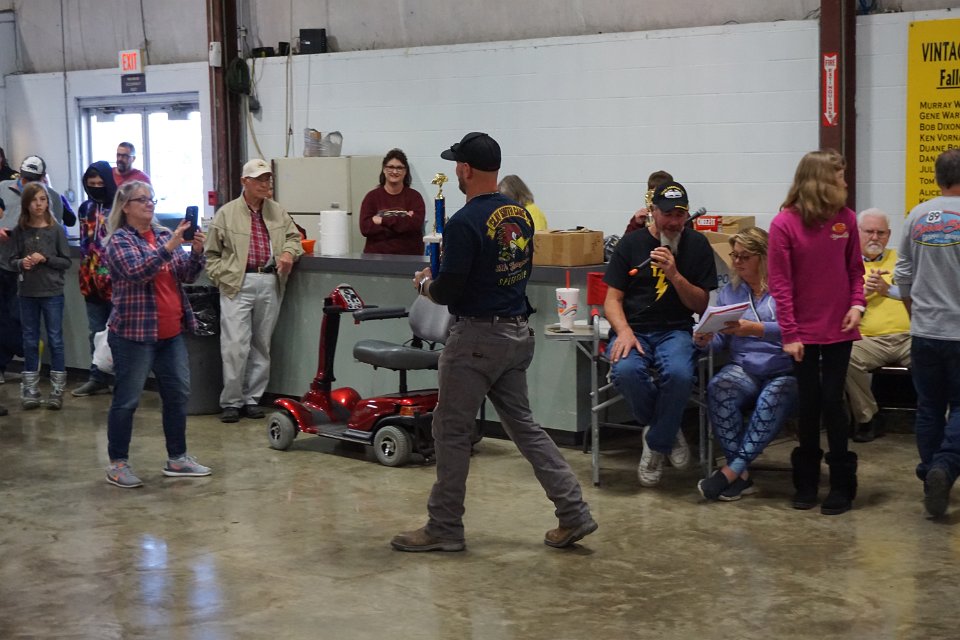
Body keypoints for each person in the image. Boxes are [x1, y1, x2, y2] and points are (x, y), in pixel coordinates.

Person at [392, 132, 597, 552]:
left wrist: (425, 285)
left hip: (476, 338)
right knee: (525, 427)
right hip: (516, 334)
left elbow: (448, 291)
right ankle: (573, 511)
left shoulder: (464, 222)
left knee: (450, 429)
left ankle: (444, 526)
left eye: (457, 164)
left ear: (465, 169)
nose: (455, 171)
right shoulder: (520, 215)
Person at [767, 149, 865, 516]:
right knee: (808, 404)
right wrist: (790, 333)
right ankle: (806, 482)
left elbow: (855, 270)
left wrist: (857, 305)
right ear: (821, 181)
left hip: (839, 326)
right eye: (839, 176)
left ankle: (841, 484)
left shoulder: (846, 219)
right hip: (802, 331)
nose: (845, 182)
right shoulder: (784, 224)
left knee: (833, 402)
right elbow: (780, 283)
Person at [603, 180, 717, 488]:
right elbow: (611, 300)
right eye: (667, 214)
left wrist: (674, 274)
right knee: (625, 371)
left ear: (687, 214)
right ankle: (667, 427)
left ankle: (655, 442)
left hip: (675, 329)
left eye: (680, 215)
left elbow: (701, 304)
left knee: (680, 374)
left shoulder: (698, 245)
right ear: (653, 211)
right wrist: (624, 331)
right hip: (635, 329)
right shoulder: (631, 244)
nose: (674, 222)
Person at [102, 180, 210, 488]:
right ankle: (118, 463)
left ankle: (177, 458)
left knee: (178, 395)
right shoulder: (119, 241)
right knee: (127, 400)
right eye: (142, 200)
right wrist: (169, 248)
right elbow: (137, 273)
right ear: (126, 207)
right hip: (133, 335)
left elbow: (186, 275)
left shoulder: (163, 235)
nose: (150, 204)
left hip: (171, 332)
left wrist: (196, 252)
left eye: (152, 199)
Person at [694, 228, 797, 501]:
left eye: (745, 256)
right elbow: (720, 341)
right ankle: (741, 476)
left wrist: (756, 329)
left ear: (764, 257)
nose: (737, 262)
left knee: (771, 398)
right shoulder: (731, 292)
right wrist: (705, 339)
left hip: (784, 367)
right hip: (745, 366)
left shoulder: (786, 287)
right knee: (720, 388)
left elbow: (798, 329)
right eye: (734, 255)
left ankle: (732, 471)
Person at [204, 158, 303, 423]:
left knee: (261, 344)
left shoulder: (277, 211)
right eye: (259, 179)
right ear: (244, 182)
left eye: (267, 178)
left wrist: (288, 253)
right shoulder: (226, 213)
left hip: (269, 280)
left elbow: (295, 238)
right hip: (237, 282)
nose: (265, 183)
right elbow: (211, 255)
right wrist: (223, 278)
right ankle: (232, 402)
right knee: (235, 345)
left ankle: (252, 399)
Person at [893, 148, 960, 519]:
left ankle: (929, 475)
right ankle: (944, 468)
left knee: (929, 406)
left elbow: (902, 274)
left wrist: (914, 314)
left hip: (924, 331)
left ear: (937, 178)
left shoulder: (916, 216)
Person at [0, 155, 72, 385]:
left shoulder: (51, 197)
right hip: (4, 263)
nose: (27, 183)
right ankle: (4, 366)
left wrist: (43, 255)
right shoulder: (2, 188)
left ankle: (31, 361)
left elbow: (57, 231)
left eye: (33, 179)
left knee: (19, 320)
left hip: (34, 275)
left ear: (42, 178)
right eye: (24, 178)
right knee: (5, 320)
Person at [844, 208, 911, 442]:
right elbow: (834, 306)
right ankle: (868, 418)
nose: (875, 237)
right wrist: (862, 293)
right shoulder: (845, 263)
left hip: (909, 337)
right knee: (844, 358)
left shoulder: (902, 259)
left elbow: (922, 294)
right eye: (869, 232)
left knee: (940, 356)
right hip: (867, 340)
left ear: (889, 235)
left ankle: (940, 420)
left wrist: (887, 289)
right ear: (857, 232)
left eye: (881, 233)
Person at [9, 183, 71, 410]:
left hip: (52, 292)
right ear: (26, 204)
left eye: (42, 199)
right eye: (34, 200)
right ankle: (30, 389)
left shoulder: (56, 230)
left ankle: (57, 390)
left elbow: (65, 261)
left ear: (48, 202)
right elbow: (10, 260)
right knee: (30, 340)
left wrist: (45, 258)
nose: (38, 204)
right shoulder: (20, 230)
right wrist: (21, 263)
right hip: (27, 292)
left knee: (55, 339)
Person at [72, 162, 118, 397]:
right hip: (90, 282)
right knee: (95, 332)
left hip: (117, 282)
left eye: (101, 183)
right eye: (92, 184)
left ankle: (122, 380)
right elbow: (84, 243)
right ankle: (97, 378)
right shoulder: (85, 208)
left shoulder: (120, 207)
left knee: (118, 334)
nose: (97, 187)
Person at [358, 149, 426, 255]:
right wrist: (402, 222)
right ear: (384, 169)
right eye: (390, 167)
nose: (394, 171)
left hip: (409, 257)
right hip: (377, 257)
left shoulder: (415, 197)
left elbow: (415, 225)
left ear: (405, 171)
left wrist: (382, 220)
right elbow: (365, 228)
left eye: (399, 168)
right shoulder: (371, 197)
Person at [623, 170, 674, 236]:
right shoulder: (642, 216)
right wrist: (636, 224)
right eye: (653, 194)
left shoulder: (679, 214)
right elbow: (626, 240)